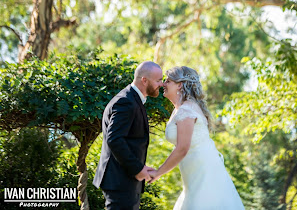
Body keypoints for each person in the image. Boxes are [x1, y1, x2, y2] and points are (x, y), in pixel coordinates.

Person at [148, 66, 245, 209]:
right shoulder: (180, 109)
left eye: (168, 81)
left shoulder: (187, 109)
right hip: (193, 173)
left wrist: (158, 172)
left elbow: (182, 148)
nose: (163, 84)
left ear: (180, 85)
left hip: (203, 171)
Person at [93, 61, 163, 210]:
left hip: (124, 181)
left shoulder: (133, 99)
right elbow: (115, 139)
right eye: (158, 80)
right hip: (119, 182)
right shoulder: (126, 101)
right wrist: (137, 169)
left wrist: (141, 167)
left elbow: (129, 141)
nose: (161, 84)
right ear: (144, 80)